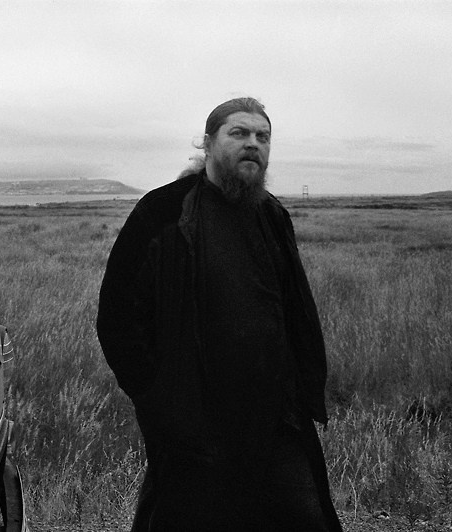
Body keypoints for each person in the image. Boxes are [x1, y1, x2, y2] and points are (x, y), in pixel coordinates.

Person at [96, 97, 342, 531]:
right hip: (195, 421)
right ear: (208, 143)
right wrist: (157, 398)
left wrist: (302, 388)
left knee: (304, 517)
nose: (253, 144)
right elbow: (117, 317)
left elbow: (295, 309)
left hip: (275, 416)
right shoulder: (163, 212)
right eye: (239, 133)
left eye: (262, 137)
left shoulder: (272, 215)